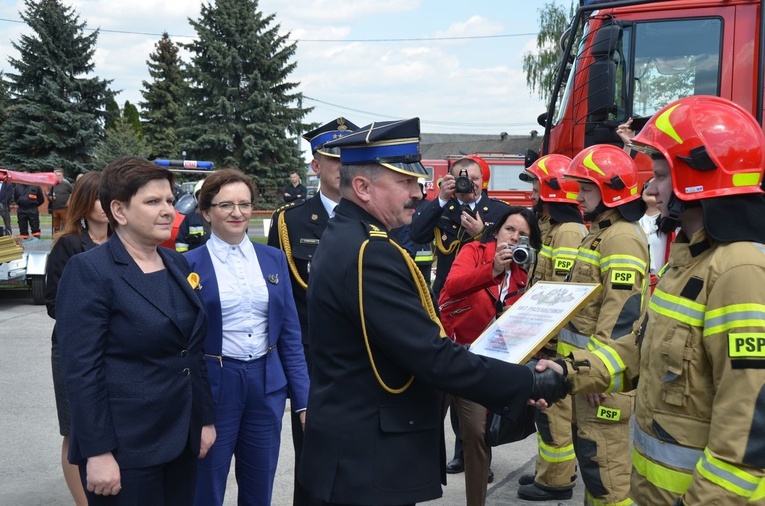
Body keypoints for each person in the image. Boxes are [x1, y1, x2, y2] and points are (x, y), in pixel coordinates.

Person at [298, 117, 569, 506]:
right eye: (405, 182)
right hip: (366, 461)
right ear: (362, 187)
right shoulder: (368, 253)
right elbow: (431, 355)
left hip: (355, 452)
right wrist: (524, 382)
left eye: (417, 181)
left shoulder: (352, 237)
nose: (417, 191)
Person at [540, 95, 765, 505]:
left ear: (696, 179)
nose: (650, 188)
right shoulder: (691, 262)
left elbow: (747, 432)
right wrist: (564, 374)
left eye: (660, 175)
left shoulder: (740, 270)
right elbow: (638, 350)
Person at [55, 157, 216, 504]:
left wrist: (203, 420)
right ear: (119, 210)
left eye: (170, 201)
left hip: (180, 438)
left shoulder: (176, 262)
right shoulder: (89, 271)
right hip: (125, 449)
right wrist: (97, 452)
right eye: (153, 201)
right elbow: (82, 370)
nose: (168, 211)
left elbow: (191, 350)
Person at [186, 168, 309, 506]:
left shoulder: (274, 259)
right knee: (206, 485)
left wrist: (303, 400)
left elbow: (290, 335)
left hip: (265, 385)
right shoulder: (187, 265)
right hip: (216, 385)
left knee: (260, 484)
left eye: (245, 204)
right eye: (226, 205)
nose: (237, 213)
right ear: (207, 211)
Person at [551, 144, 649, 506]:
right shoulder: (601, 232)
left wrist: (600, 370)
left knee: (606, 467)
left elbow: (622, 313)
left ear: (612, 188)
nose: (578, 194)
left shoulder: (621, 236)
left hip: (601, 377)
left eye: (587, 187)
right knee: (594, 463)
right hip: (589, 371)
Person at [268, 116, 358, 506]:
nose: (343, 166)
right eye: (333, 158)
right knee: (313, 461)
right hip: (313, 362)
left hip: (366, 358)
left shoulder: (376, 218)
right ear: (315, 166)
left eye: (349, 157)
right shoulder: (290, 221)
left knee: (363, 462)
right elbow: (282, 302)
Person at [410, 154, 509, 473]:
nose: (470, 184)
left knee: (485, 378)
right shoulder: (444, 207)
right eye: (461, 179)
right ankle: (460, 449)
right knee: (453, 378)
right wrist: (440, 197)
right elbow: (416, 233)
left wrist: (483, 234)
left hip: (486, 304)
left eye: (475, 179)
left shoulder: (499, 212)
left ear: (484, 181)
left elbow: (510, 254)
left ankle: (482, 453)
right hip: (450, 307)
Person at [438, 206, 542, 506]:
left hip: (480, 363)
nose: (514, 237)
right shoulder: (474, 250)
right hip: (449, 351)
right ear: (497, 230)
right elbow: (451, 288)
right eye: (510, 229)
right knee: (424, 428)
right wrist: (493, 269)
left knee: (476, 437)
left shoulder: (525, 270)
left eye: (523, 234)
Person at [516, 154, 587, 502]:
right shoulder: (552, 227)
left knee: (555, 413)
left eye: (536, 184)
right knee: (545, 413)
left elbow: (563, 295)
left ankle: (557, 480)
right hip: (545, 337)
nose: (532, 192)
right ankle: (549, 469)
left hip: (555, 341)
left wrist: (546, 342)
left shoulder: (569, 232)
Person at [44, 172, 109, 506]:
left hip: (116, 351)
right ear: (85, 202)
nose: (107, 204)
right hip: (74, 351)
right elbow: (54, 303)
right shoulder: (68, 245)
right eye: (100, 197)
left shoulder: (122, 240)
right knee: (76, 430)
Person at [391, 178, 435, 284]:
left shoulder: (428, 206)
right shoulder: (401, 206)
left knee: (424, 287)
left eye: (418, 187)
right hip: (404, 256)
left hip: (424, 258)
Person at [637, 178, 674, 292]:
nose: (652, 189)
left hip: (662, 285)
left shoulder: (673, 224)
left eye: (658, 185)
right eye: (647, 185)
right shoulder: (632, 222)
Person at [175, 180, 210, 253]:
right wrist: (184, 260)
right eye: (201, 195)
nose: (204, 198)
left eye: (207, 195)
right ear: (196, 197)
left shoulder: (220, 216)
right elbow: (181, 244)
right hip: (194, 262)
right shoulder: (190, 218)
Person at [48, 168, 74, 233]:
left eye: (59, 175)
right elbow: (49, 195)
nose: (58, 177)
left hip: (64, 208)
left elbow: (73, 193)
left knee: (66, 225)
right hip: (54, 208)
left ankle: (66, 238)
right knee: (56, 226)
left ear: (62, 176)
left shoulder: (66, 184)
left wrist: (69, 201)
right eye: (56, 176)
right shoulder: (53, 185)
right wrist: (50, 197)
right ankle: (57, 239)